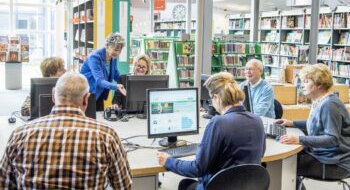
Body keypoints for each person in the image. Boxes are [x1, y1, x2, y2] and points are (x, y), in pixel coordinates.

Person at [0, 72, 132, 189]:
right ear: (87, 99)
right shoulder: (106, 135)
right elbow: (124, 185)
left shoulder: (19, 134)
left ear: (53, 96)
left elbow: (4, 184)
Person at [157, 72, 266, 190]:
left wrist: (168, 161)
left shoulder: (218, 123)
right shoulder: (257, 120)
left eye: (211, 98)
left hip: (220, 186)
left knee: (184, 185)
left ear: (217, 97)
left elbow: (197, 168)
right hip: (248, 186)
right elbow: (260, 155)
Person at [275, 64, 350, 190]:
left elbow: (332, 139)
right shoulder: (320, 101)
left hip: (336, 163)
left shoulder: (329, 105)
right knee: (286, 158)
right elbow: (317, 123)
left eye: (306, 81)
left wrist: (299, 139)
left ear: (319, 84)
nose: (301, 85)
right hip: (324, 155)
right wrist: (292, 123)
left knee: (284, 165)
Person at [81, 32, 127, 111]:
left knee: (99, 118)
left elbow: (116, 75)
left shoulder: (113, 57)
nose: (117, 53)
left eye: (119, 50)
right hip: (88, 94)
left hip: (99, 93)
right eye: (115, 50)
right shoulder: (94, 57)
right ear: (107, 46)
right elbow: (99, 80)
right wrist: (116, 86)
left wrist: (127, 81)